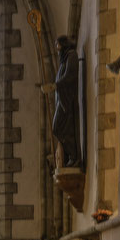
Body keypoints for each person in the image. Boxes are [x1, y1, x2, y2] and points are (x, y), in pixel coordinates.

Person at [47, 35, 80, 167]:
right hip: (61, 100)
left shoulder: (71, 56)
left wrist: (55, 85)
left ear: (63, 44)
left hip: (67, 99)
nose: (57, 49)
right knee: (58, 128)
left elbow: (70, 75)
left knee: (59, 127)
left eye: (58, 46)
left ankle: (73, 155)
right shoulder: (63, 61)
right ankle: (68, 157)